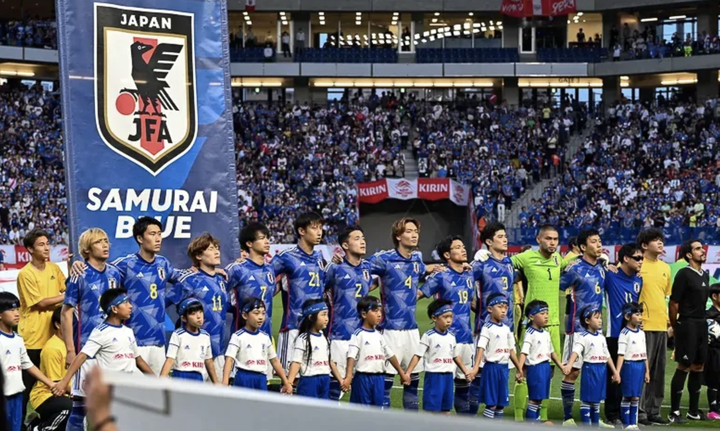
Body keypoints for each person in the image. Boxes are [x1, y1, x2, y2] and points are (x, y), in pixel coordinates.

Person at [73, 217, 188, 375]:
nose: (158, 238)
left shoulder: (163, 263)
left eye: (159, 234)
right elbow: (98, 269)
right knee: (132, 389)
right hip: (132, 342)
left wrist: (163, 302)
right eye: (152, 234)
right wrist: (79, 263)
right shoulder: (126, 264)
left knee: (159, 389)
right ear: (140, 238)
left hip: (158, 341)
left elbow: (185, 280)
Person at [62, 228, 123, 431]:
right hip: (88, 350)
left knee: (113, 407)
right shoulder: (79, 275)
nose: (105, 245)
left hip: (112, 349)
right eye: (98, 242)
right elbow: (66, 313)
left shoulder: (115, 273)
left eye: (106, 240)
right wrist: (70, 350)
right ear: (87, 249)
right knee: (80, 409)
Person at [54, 288, 154, 397]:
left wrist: (158, 382)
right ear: (114, 309)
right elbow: (82, 356)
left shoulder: (128, 331)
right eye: (125, 303)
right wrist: (64, 382)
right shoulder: (101, 332)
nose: (130, 306)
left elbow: (139, 360)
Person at [558, 229, 609, 426]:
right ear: (582, 247)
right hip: (577, 329)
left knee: (596, 371)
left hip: (596, 330)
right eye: (594, 241)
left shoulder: (602, 268)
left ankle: (595, 417)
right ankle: (567, 417)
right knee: (573, 372)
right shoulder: (574, 268)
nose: (599, 244)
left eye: (600, 241)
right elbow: (557, 285)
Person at [419, 235, 475, 414]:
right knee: (443, 386)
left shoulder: (469, 274)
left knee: (464, 383)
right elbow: (418, 294)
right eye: (458, 247)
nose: (463, 249)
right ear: (447, 254)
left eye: (463, 246)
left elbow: (471, 303)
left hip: (466, 337)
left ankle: (463, 422)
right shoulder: (441, 276)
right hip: (446, 339)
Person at [470, 223, 520, 418]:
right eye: (500, 236)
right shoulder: (481, 263)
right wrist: (473, 303)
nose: (505, 239)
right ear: (489, 242)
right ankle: (471, 417)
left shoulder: (509, 263)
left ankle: (493, 417)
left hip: (506, 329)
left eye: (505, 235)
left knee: (501, 377)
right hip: (486, 328)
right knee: (479, 375)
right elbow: (463, 281)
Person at [16, 229, 66, 413]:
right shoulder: (26, 274)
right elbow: (40, 303)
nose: (46, 248)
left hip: (53, 338)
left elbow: (67, 287)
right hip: (33, 339)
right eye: (41, 244)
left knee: (54, 386)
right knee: (25, 388)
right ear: (30, 249)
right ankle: (18, 423)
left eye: (47, 243)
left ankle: (47, 420)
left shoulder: (54, 268)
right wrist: (66, 296)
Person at [323, 226, 374, 400]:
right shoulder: (335, 268)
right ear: (345, 245)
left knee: (363, 389)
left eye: (363, 238)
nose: (363, 242)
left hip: (364, 336)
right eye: (357, 238)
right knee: (335, 389)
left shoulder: (367, 267)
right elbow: (318, 290)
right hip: (340, 335)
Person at [271, 212, 326, 373]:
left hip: (316, 328)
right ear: (302, 231)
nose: (319, 232)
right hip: (293, 325)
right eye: (314, 228)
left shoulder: (319, 257)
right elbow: (264, 275)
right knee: (289, 378)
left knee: (314, 374)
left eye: (320, 228)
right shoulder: (286, 257)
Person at [405, 299, 475, 414]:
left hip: (448, 377)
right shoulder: (428, 336)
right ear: (434, 318)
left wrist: (465, 371)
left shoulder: (451, 336)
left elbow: (455, 356)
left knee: (446, 410)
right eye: (445, 317)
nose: (449, 320)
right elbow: (417, 355)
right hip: (434, 377)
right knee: (432, 410)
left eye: (451, 317)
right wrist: (408, 373)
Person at [226, 222, 277, 379]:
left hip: (265, 336)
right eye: (262, 238)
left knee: (263, 384)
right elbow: (220, 293)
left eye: (267, 238)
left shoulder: (270, 269)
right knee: (240, 384)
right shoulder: (237, 269)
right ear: (249, 243)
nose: (267, 241)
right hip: (243, 337)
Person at [175, 233, 229, 379]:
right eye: (211, 249)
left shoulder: (222, 280)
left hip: (218, 350)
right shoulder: (189, 280)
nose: (217, 252)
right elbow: (167, 303)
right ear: (199, 256)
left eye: (217, 248)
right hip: (193, 351)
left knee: (217, 391)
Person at [0, 292, 55, 431]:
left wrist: (51, 384)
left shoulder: (18, 339)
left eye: (17, 309)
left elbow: (28, 364)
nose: (17, 314)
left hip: (17, 395)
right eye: (11, 310)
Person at [668, 239, 709, 423]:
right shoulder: (684, 274)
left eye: (702, 248)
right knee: (684, 365)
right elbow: (673, 303)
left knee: (699, 366)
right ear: (689, 254)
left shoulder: (704, 274)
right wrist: (676, 325)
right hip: (687, 324)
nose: (703, 250)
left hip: (701, 324)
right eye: (698, 248)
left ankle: (693, 411)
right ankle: (674, 412)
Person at [343, 296, 408, 407]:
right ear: (364, 314)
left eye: (380, 311)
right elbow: (351, 356)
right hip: (363, 379)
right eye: (375, 311)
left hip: (379, 379)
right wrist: (349, 377)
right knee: (361, 411)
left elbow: (390, 355)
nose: (379, 314)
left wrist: (402, 373)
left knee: (376, 410)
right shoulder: (358, 334)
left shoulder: (379, 335)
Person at [604, 243, 643, 426]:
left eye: (642, 258)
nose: (641, 261)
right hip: (614, 333)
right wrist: (606, 263)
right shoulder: (610, 275)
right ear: (625, 258)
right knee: (614, 374)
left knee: (628, 374)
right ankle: (612, 414)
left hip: (632, 334)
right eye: (637, 258)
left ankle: (626, 413)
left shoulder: (639, 280)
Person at [562, 305, 621, 427]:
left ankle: (595, 425)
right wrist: (569, 365)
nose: (600, 320)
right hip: (590, 370)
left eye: (600, 318)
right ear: (587, 321)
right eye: (596, 318)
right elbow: (576, 351)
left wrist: (615, 372)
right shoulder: (583, 337)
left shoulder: (601, 337)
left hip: (602, 370)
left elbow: (607, 355)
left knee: (596, 400)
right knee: (587, 400)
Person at [636, 229, 672, 426]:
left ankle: (653, 410)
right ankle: (639, 411)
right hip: (643, 325)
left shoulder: (666, 267)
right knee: (643, 371)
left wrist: (669, 322)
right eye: (655, 240)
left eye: (661, 240)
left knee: (658, 371)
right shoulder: (638, 264)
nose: (660, 243)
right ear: (644, 245)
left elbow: (664, 295)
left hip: (661, 325)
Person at [222, 296, 292, 393]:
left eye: (263, 313)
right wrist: (225, 381)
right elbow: (229, 359)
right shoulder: (238, 336)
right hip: (243, 378)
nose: (261, 317)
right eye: (256, 313)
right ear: (245, 315)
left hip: (261, 379)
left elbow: (275, 360)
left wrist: (286, 382)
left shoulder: (265, 337)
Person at [470, 293, 523, 420]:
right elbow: (481, 348)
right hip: (491, 369)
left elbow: (511, 350)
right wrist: (476, 367)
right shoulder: (487, 328)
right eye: (500, 307)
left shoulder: (507, 329)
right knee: (491, 404)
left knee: (501, 404)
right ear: (490, 309)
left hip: (504, 369)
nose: (503, 310)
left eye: (505, 307)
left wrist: (519, 368)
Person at [287, 300, 344, 399]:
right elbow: (296, 362)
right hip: (309, 381)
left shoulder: (324, 338)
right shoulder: (303, 339)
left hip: (325, 379)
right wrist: (289, 383)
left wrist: (341, 380)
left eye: (327, 315)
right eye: (323, 315)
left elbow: (329, 361)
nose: (326, 318)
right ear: (311, 317)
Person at [518, 300, 563, 422]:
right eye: (542, 313)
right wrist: (520, 370)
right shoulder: (530, 333)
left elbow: (552, 352)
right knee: (534, 399)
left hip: (545, 368)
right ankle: (531, 424)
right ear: (531, 317)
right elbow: (524, 352)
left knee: (539, 400)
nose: (546, 316)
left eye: (547, 313)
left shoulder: (546, 333)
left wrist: (561, 366)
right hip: (535, 369)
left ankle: (536, 422)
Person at [28, 308, 72, 431]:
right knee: (69, 407)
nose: (72, 326)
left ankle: (36, 422)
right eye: (68, 322)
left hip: (65, 393)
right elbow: (57, 386)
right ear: (58, 325)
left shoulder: (71, 346)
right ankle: (38, 428)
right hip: (45, 395)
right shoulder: (52, 349)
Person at [160, 298, 217, 382]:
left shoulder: (205, 336)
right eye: (193, 313)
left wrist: (216, 382)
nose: (199, 316)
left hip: (198, 377)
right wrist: (161, 380)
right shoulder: (178, 334)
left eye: (200, 312)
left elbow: (208, 361)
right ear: (183, 318)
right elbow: (170, 360)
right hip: (180, 375)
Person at [616, 302, 650, 430]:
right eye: (637, 314)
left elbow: (644, 353)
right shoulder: (624, 334)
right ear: (627, 316)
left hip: (640, 366)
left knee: (636, 396)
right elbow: (621, 354)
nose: (640, 317)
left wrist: (647, 371)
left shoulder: (641, 333)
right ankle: (626, 424)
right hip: (629, 366)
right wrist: (617, 372)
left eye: (641, 314)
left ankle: (633, 423)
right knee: (627, 396)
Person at [705, 283, 720, 420]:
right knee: (714, 380)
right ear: (714, 296)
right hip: (714, 352)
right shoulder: (709, 315)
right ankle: (713, 409)